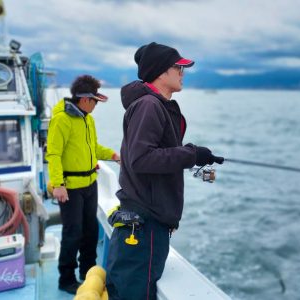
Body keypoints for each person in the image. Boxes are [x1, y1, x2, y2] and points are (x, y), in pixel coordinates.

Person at [106, 42, 223, 300]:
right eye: (178, 66)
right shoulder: (149, 105)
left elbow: (151, 156)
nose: (183, 72)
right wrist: (192, 154)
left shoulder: (154, 105)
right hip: (144, 226)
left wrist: (196, 156)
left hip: (146, 223)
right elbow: (141, 159)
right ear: (161, 72)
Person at [46, 75, 120, 294]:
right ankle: (66, 279)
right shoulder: (62, 119)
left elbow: (92, 147)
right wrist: (58, 184)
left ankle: (88, 273)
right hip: (70, 187)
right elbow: (54, 153)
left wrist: (113, 155)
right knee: (72, 233)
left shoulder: (87, 119)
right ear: (85, 99)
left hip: (90, 183)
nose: (96, 105)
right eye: (95, 101)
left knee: (89, 231)